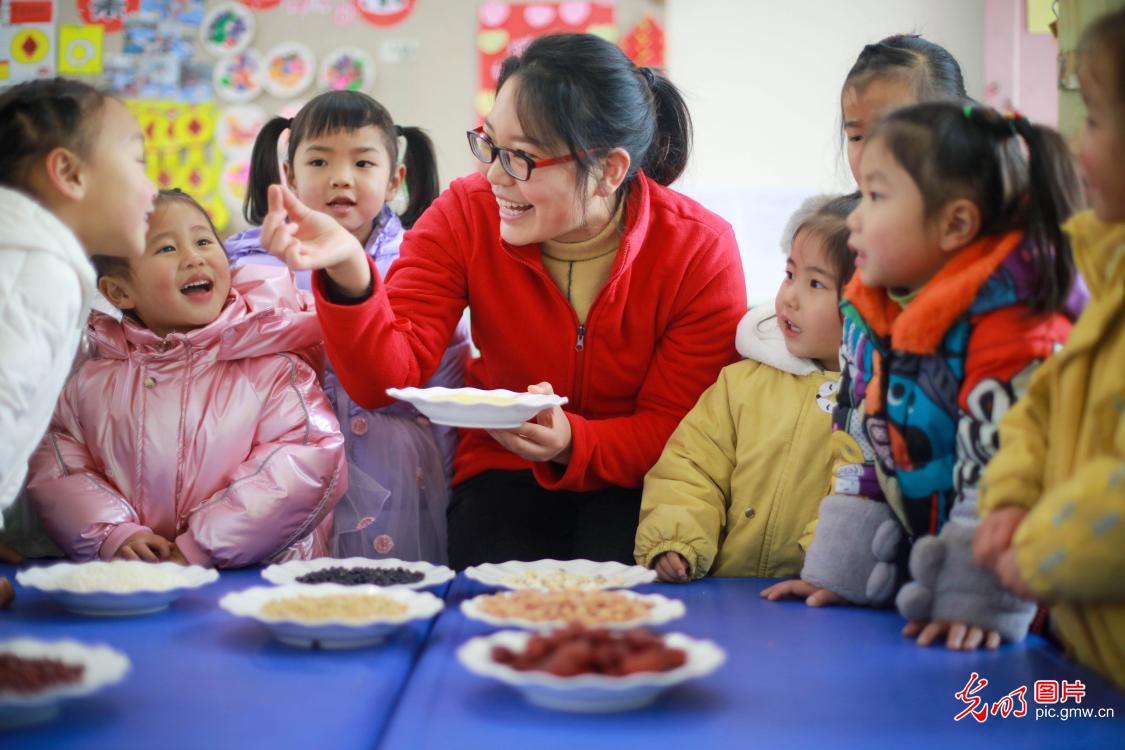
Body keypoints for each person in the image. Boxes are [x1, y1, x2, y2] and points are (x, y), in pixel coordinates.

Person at [256, 33, 746, 568]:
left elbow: (677, 426)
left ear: (608, 170)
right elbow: (384, 381)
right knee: (494, 594)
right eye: (490, 145)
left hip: (645, 476)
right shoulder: (466, 212)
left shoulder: (699, 248)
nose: (492, 175)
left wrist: (572, 443)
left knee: (615, 599)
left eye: (521, 158)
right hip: (503, 467)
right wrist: (349, 269)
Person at [27, 190, 346, 567]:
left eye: (203, 241)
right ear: (119, 290)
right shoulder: (91, 377)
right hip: (138, 580)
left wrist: (203, 545)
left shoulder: (269, 363)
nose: (193, 257)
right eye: (166, 249)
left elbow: (307, 455)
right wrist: (113, 533)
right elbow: (59, 463)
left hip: (261, 578)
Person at [975, 9, 1125, 688]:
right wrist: (1008, 499)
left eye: (1092, 118)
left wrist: (1033, 550)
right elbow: (1039, 410)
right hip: (1090, 662)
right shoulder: (1108, 279)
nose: (1077, 142)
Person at [636, 195, 856, 581]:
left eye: (816, 283)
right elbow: (691, 467)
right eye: (790, 275)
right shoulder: (742, 384)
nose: (790, 296)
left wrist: (826, 568)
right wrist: (678, 538)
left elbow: (860, 499)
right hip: (724, 598)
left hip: (824, 606)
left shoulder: (879, 403)